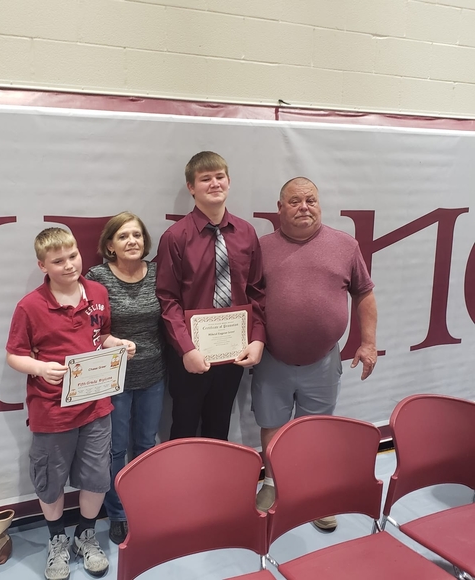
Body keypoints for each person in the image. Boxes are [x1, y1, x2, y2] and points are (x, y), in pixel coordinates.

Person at [6, 227, 135, 580]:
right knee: (50, 480)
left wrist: (118, 344)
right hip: (51, 411)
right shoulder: (30, 306)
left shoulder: (97, 292)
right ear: (42, 266)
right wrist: (39, 368)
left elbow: (101, 335)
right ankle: (57, 540)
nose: (69, 265)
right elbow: (14, 355)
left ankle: (85, 535)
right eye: (58, 261)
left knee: (96, 477)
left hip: (96, 406)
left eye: (73, 256)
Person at [252, 177, 378, 532]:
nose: (304, 207)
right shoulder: (260, 249)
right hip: (272, 359)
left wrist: (368, 343)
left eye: (310, 200)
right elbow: (248, 301)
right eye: (295, 201)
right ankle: (272, 484)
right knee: (272, 425)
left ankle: (311, 490)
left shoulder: (345, 245)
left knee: (316, 429)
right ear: (280, 208)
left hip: (323, 361)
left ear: (319, 205)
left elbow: (364, 294)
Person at [156, 151, 266, 440]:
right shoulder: (175, 237)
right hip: (190, 354)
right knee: (184, 428)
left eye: (220, 177)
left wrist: (257, 338)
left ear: (229, 181)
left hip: (233, 352)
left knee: (219, 428)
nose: (215, 183)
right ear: (191, 187)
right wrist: (187, 349)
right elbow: (167, 299)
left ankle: (216, 472)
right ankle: (183, 473)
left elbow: (256, 291)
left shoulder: (246, 233)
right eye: (205, 179)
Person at [85, 212, 165, 546]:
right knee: (115, 449)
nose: (132, 241)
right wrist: (112, 343)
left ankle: (143, 507)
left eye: (137, 235)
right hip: (112, 379)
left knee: (146, 445)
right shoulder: (97, 277)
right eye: (123, 236)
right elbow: (88, 329)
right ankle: (117, 513)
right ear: (110, 245)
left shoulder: (158, 273)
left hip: (153, 375)